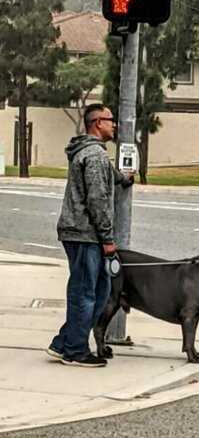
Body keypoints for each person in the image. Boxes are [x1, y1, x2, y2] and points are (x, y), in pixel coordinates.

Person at [47, 103, 134, 367]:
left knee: (98, 290)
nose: (115, 124)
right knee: (86, 293)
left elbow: (106, 176)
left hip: (82, 233)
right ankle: (74, 351)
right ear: (97, 123)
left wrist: (123, 178)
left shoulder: (90, 153)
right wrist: (108, 240)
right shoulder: (94, 155)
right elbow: (97, 198)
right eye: (110, 119)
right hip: (86, 234)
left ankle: (64, 343)